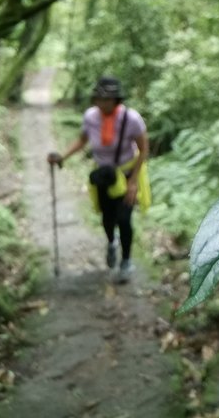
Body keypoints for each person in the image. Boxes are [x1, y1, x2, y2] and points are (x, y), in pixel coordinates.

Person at [48, 75, 150, 283]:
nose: (102, 103)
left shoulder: (131, 119)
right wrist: (62, 157)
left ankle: (126, 262)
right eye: (99, 98)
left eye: (107, 99)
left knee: (124, 218)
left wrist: (132, 183)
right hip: (103, 175)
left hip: (127, 173)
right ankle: (112, 243)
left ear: (116, 100)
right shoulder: (90, 117)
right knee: (107, 217)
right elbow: (82, 140)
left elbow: (143, 149)